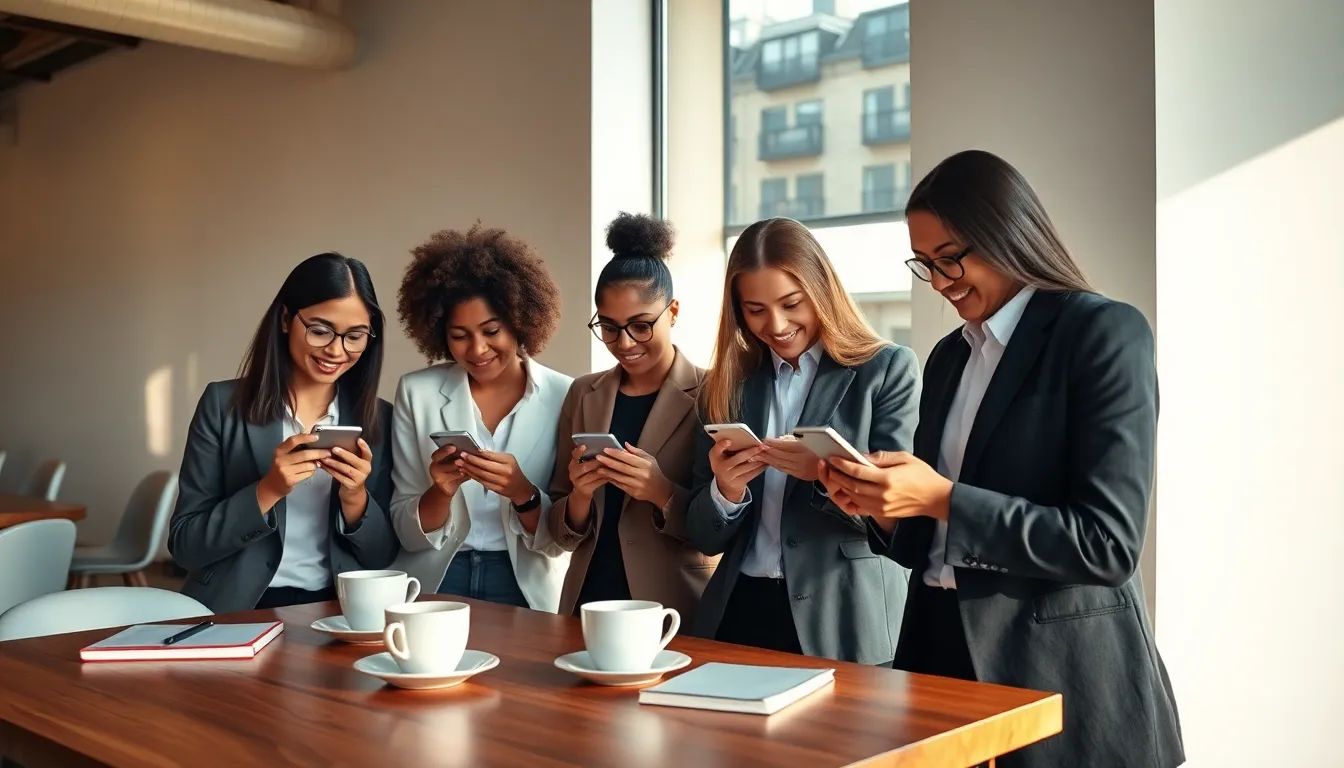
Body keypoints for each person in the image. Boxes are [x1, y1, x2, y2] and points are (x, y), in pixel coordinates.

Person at [819, 149, 1184, 767]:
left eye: (950, 258)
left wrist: (939, 497)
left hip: (1059, 678)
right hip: (936, 657)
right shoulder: (948, 357)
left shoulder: (1103, 334)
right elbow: (925, 545)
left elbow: (1107, 544)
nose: (938, 281)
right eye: (924, 263)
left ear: (1007, 233)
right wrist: (879, 507)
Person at [685, 217, 919, 665]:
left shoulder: (886, 370)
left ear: (820, 290)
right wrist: (725, 492)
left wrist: (823, 475)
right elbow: (700, 536)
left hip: (845, 617)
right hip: (740, 610)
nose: (776, 324)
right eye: (755, 310)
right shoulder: (725, 386)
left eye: (792, 303)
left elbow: (901, 520)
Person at [170, 253, 399, 613]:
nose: (337, 350)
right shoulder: (222, 404)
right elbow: (185, 546)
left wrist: (355, 498)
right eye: (320, 331)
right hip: (238, 609)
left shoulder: (379, 418)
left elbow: (382, 555)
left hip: (337, 612)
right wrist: (268, 490)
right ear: (286, 319)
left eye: (355, 336)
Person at [390, 223, 573, 612]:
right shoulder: (416, 393)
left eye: (492, 330)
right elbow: (405, 531)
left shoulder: (566, 396)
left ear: (521, 321)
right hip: (437, 578)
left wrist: (523, 493)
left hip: (525, 584)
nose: (478, 349)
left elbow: (561, 539)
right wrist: (440, 491)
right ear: (439, 333)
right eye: (459, 335)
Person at [546, 213, 714, 620]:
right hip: (589, 602)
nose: (624, 343)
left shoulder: (713, 393)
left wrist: (661, 491)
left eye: (641, 326)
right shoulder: (583, 392)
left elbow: (722, 524)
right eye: (608, 326)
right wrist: (581, 496)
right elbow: (559, 529)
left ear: (672, 312)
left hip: (675, 604)